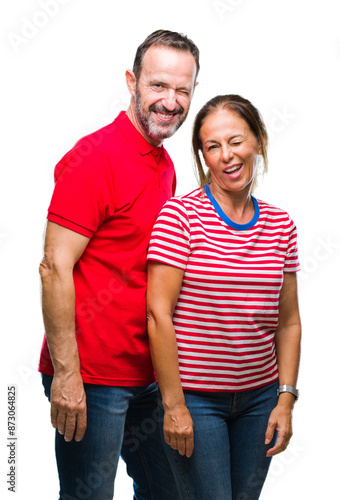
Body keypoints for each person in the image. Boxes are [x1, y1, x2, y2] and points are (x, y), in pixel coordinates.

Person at [38, 29, 199, 500]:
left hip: (147, 374)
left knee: (170, 491)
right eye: (158, 86)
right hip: (92, 378)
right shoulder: (96, 158)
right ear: (132, 81)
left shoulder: (163, 161)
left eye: (182, 90)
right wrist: (68, 375)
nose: (170, 102)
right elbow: (53, 266)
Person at [146, 94, 301, 500]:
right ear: (203, 156)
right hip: (196, 400)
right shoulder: (180, 217)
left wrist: (286, 398)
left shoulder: (281, 225)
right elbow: (158, 314)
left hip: (260, 400)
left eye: (236, 141)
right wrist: (174, 405)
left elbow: (288, 322)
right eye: (213, 146)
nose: (227, 156)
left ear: (259, 141)